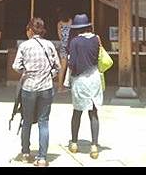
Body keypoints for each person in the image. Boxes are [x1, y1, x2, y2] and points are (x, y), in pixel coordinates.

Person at [12, 17, 61, 167]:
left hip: (29, 87)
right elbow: (57, 66)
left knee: (27, 120)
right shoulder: (50, 45)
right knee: (43, 122)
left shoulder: (24, 46)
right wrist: (49, 75)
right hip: (46, 87)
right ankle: (42, 158)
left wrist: (25, 72)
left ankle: (26, 152)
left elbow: (16, 66)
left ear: (30, 30)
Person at [67, 13, 103, 159]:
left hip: (80, 79)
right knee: (93, 113)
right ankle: (94, 146)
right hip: (94, 77)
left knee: (77, 112)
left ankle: (74, 143)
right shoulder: (96, 39)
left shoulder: (75, 42)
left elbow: (73, 63)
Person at [56, 9, 72, 91]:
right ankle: (70, 84)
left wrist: (63, 42)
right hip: (71, 45)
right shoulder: (71, 22)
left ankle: (60, 86)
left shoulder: (60, 24)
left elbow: (60, 36)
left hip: (63, 46)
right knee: (72, 66)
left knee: (63, 66)